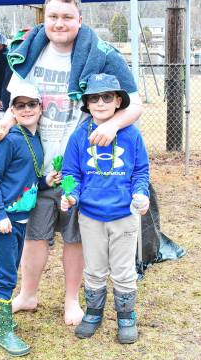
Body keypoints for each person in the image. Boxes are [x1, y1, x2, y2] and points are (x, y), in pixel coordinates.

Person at [0, 0, 143, 326]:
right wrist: (3, 124)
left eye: (67, 17)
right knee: (33, 234)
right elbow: (17, 104)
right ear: (44, 18)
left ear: (80, 19)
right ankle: (28, 294)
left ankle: (72, 301)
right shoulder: (29, 52)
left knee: (75, 237)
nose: (59, 23)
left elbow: (135, 102)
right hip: (35, 167)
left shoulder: (101, 53)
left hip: (78, 168)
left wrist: (114, 125)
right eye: (53, 16)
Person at [61, 73, 149, 344]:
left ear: (118, 101)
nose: (100, 102)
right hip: (90, 216)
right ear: (86, 104)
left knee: (123, 270)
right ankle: (93, 312)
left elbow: (141, 171)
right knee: (95, 269)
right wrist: (70, 194)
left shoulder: (132, 135)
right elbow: (71, 172)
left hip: (124, 216)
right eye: (94, 98)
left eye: (107, 97)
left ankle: (126, 316)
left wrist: (140, 194)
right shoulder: (79, 136)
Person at [0, 82, 60, 357]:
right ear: (12, 110)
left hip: (21, 219)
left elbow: (27, 179)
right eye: (20, 105)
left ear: (40, 107)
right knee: (6, 275)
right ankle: (4, 331)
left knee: (1, 266)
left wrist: (45, 182)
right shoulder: (9, 139)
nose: (26, 110)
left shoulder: (34, 139)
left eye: (31, 104)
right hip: (4, 219)